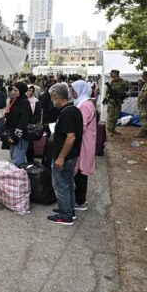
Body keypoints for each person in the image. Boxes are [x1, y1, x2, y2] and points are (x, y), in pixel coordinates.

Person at [46, 83, 83, 226]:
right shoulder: (73, 110)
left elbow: (71, 137)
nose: (51, 100)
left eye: (52, 97)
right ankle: (69, 210)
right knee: (68, 184)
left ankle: (65, 215)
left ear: (57, 97)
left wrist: (61, 157)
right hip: (71, 155)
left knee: (61, 185)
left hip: (65, 156)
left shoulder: (67, 112)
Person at [70, 80, 97, 212]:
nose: (72, 93)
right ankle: (80, 198)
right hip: (87, 140)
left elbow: (80, 126)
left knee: (80, 171)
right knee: (81, 171)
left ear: (80, 90)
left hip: (84, 142)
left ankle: (80, 201)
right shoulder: (86, 102)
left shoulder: (85, 106)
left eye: (74, 90)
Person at [4, 82, 32, 166]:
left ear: (21, 91)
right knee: (14, 158)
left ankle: (20, 178)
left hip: (21, 137)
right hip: (13, 134)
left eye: (16, 90)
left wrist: (15, 137)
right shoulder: (14, 100)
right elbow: (14, 117)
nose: (13, 92)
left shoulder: (25, 102)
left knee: (17, 162)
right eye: (13, 90)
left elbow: (23, 122)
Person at [104, 69, 130, 136]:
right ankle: (109, 130)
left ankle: (113, 129)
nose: (110, 75)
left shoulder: (124, 82)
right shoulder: (111, 83)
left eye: (112, 73)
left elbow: (131, 88)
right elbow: (106, 92)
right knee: (110, 116)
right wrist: (105, 97)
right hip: (111, 102)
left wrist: (127, 94)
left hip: (118, 102)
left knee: (116, 117)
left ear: (116, 74)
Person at [25, 85, 42, 163]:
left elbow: (38, 114)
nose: (30, 92)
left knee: (30, 144)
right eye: (29, 90)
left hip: (31, 125)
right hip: (23, 124)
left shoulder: (36, 101)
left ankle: (30, 160)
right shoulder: (23, 100)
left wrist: (32, 121)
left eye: (32, 91)